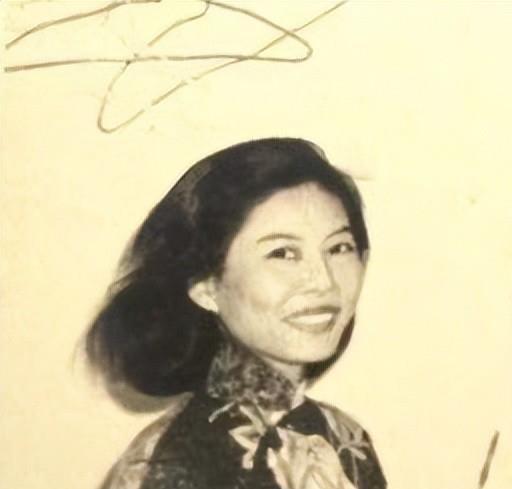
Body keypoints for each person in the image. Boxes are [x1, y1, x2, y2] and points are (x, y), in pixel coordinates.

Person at [86, 138, 387, 489]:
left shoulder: (345, 439)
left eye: (339, 248)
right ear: (206, 286)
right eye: (283, 253)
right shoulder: (169, 462)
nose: (325, 281)